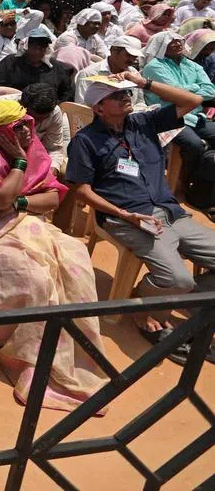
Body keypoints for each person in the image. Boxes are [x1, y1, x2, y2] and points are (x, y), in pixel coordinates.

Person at [0, 97, 106, 411]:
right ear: (1, 132)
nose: (25, 131)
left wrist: (20, 203)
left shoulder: (33, 147)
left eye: (26, 125)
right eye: (17, 127)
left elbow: (50, 200)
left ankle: (65, 354)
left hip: (26, 220)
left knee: (74, 261)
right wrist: (19, 163)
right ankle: (13, 348)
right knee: (33, 277)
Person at [66, 74, 215, 363]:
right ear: (98, 107)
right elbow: (82, 192)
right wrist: (124, 215)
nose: (126, 97)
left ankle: (188, 302)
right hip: (128, 218)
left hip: (171, 212)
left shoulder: (144, 123)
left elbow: (193, 101)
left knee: (182, 283)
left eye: (127, 93)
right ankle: (141, 309)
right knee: (177, 278)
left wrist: (144, 82)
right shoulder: (86, 141)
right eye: (117, 95)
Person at [140, 31, 215, 203]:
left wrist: (183, 91)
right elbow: (175, 95)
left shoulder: (191, 64)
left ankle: (199, 184)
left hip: (195, 115)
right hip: (168, 115)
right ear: (161, 46)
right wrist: (193, 88)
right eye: (171, 42)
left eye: (179, 41)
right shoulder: (155, 66)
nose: (178, 44)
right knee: (194, 145)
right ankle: (181, 183)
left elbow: (210, 90)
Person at [0, 28, 74, 103]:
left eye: (41, 48)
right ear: (26, 46)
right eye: (34, 47)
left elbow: (66, 93)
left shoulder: (55, 67)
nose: (37, 52)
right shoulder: (10, 63)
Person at [74, 36, 145, 106]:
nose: (132, 60)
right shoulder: (89, 74)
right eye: (128, 55)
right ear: (114, 50)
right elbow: (82, 106)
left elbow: (140, 102)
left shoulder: (134, 73)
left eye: (135, 57)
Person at [0, 8, 43, 77]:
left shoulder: (22, 33)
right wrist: (1, 20)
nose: (9, 27)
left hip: (19, 79)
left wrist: (15, 12)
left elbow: (39, 15)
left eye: (12, 23)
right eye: (6, 24)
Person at [19, 83, 71, 176]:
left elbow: (54, 149)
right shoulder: (5, 109)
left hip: (37, 159)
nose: (36, 123)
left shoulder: (54, 112)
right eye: (33, 118)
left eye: (42, 120)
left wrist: (51, 172)